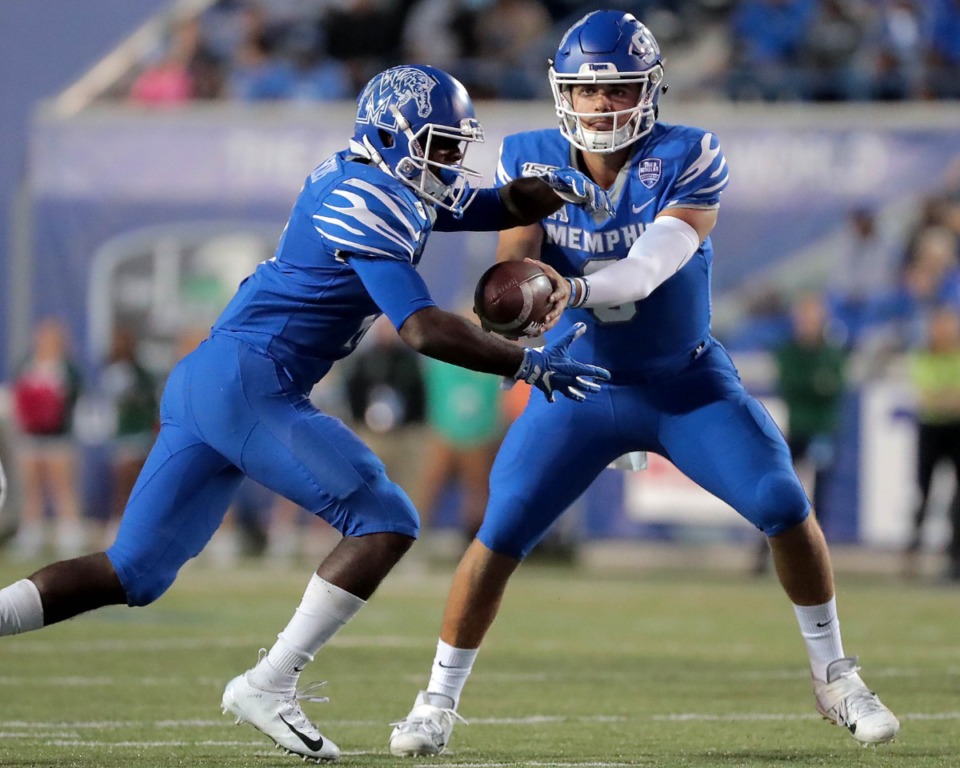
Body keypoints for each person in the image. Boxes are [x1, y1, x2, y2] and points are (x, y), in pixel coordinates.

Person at [0, 64, 612, 762]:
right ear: (390, 135)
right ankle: (270, 682)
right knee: (387, 519)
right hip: (250, 383)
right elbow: (418, 327)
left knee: (131, 572)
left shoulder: (381, 175)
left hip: (215, 377)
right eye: (438, 145)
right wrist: (526, 364)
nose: (448, 161)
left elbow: (493, 202)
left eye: (453, 145)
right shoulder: (367, 195)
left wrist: (551, 188)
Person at [388, 12, 900, 758]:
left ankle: (834, 674)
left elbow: (650, 267)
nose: (602, 106)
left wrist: (572, 291)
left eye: (618, 89)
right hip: (580, 385)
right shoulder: (531, 158)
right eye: (588, 92)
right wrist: (515, 311)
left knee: (784, 505)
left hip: (679, 382)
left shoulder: (688, 154)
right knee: (499, 534)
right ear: (564, 93)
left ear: (650, 89)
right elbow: (514, 270)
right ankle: (436, 698)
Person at [753, 292, 847, 574]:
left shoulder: (831, 351)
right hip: (799, 430)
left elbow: (833, 388)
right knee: (779, 494)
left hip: (823, 431)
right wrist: (816, 385)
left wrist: (816, 387)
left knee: (820, 502)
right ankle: (763, 556)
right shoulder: (790, 351)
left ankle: (815, 561)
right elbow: (796, 386)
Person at [9, 317, 85, 558]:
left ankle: (69, 532)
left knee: (61, 485)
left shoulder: (67, 368)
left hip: (58, 437)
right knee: (30, 486)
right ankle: (30, 533)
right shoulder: (27, 364)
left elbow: (74, 395)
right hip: (31, 436)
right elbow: (17, 392)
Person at [904, 304, 960, 580]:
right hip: (931, 430)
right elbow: (925, 396)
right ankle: (913, 553)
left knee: (957, 498)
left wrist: (942, 398)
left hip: (954, 430)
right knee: (923, 492)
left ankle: (954, 557)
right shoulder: (924, 356)